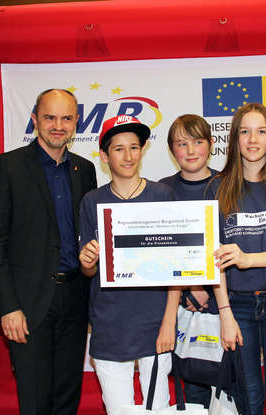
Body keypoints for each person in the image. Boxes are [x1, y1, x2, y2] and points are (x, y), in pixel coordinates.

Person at [0, 89, 97, 414]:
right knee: (35, 399)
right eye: (49, 117)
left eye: (66, 118)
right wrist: (7, 308)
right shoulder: (6, 167)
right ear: (35, 120)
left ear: (76, 122)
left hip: (74, 300)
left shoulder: (84, 170)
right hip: (28, 304)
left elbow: (88, 237)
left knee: (67, 395)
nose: (57, 125)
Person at [78, 114, 181, 415]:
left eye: (134, 147)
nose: (128, 156)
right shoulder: (92, 201)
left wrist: (169, 323)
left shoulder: (163, 196)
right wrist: (87, 263)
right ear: (104, 156)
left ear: (143, 150)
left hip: (155, 324)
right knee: (119, 410)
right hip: (110, 325)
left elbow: (177, 267)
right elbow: (89, 271)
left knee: (159, 409)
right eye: (119, 148)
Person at [207, 103, 266, 415]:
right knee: (249, 401)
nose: (252, 139)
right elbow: (213, 260)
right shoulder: (217, 188)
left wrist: (249, 259)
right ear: (234, 139)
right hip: (237, 306)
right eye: (244, 132)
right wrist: (225, 313)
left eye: (261, 131)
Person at [159, 114, 219, 407]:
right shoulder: (161, 191)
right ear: (172, 151)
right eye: (182, 144)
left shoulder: (229, 183)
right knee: (193, 389)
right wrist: (189, 288)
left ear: (211, 144)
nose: (191, 151)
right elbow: (159, 250)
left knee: (232, 387)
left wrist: (206, 288)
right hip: (181, 304)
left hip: (227, 302)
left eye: (198, 142)